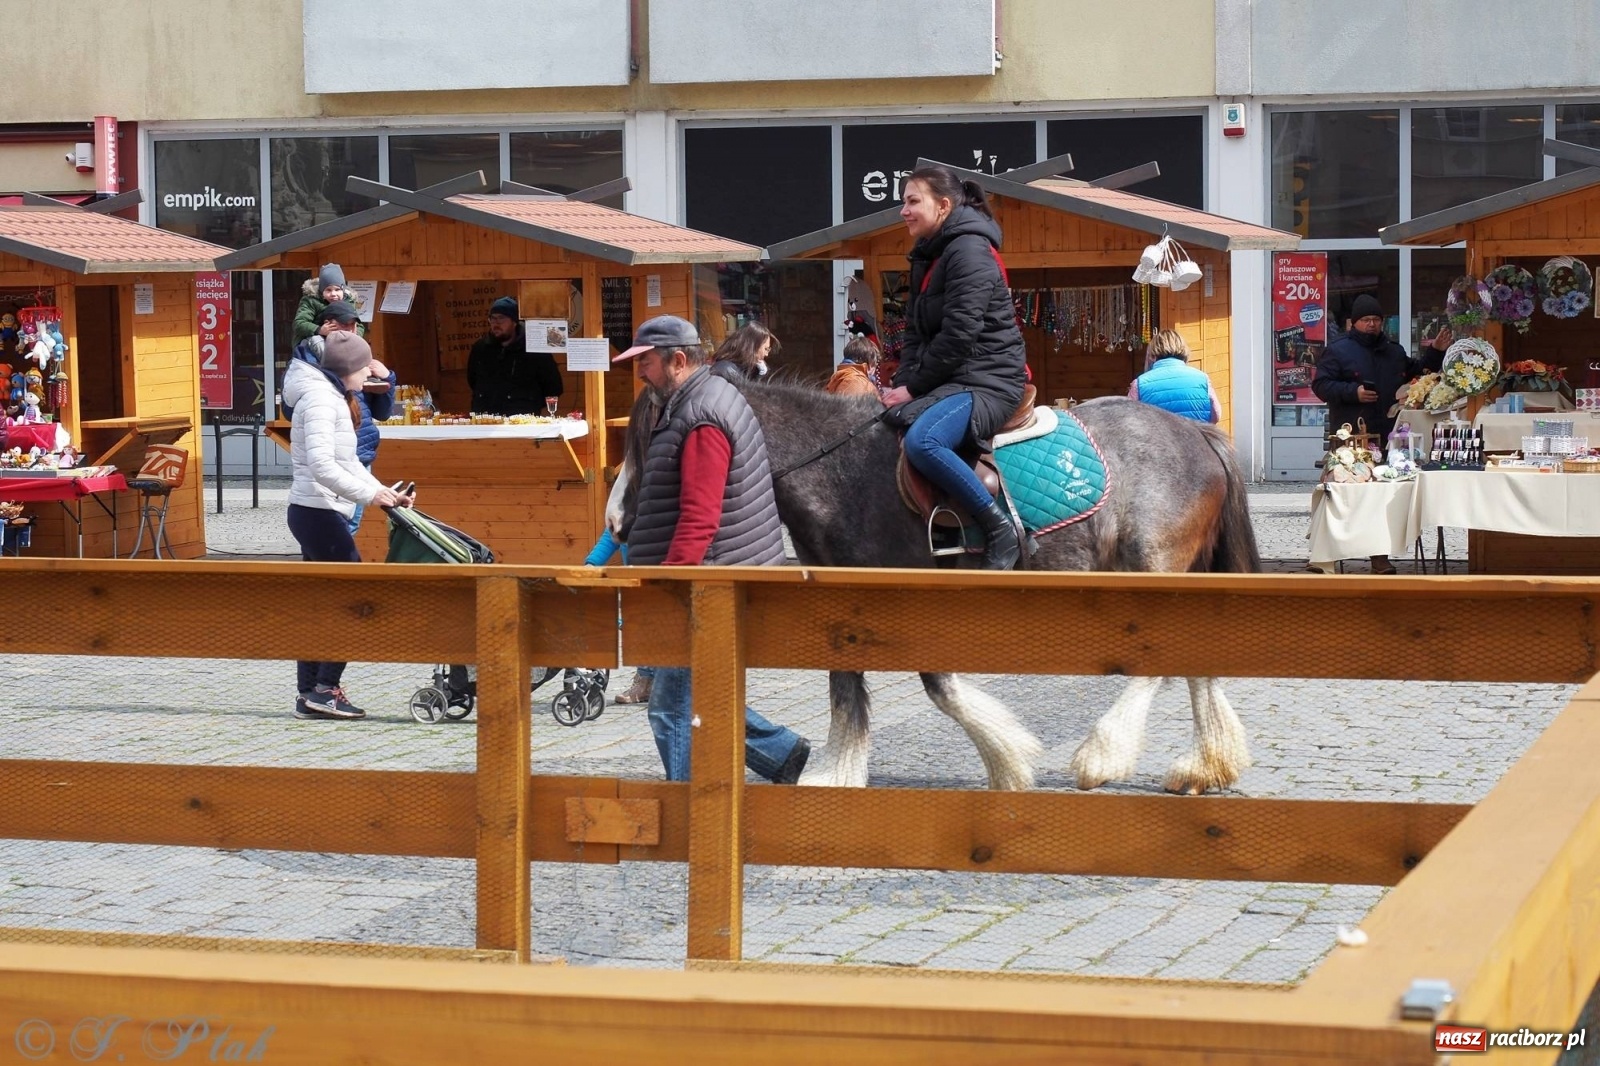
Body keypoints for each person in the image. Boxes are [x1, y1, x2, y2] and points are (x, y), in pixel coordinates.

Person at [612, 314, 810, 783]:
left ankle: (693, 814)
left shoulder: (701, 414)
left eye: (646, 364)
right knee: (705, 693)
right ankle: (782, 754)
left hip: (705, 582)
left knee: (671, 710)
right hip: (712, 576)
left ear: (678, 361)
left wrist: (673, 582)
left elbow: (701, 517)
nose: (640, 373)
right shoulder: (699, 400)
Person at [878, 164, 1028, 570]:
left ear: (943, 205)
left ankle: (998, 528)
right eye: (902, 202)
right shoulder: (929, 253)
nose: (903, 210)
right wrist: (904, 381)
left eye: (912, 201)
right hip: (954, 378)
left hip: (989, 381)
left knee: (923, 441)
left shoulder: (969, 251)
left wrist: (912, 389)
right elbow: (914, 334)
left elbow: (960, 335)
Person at [282, 330, 413, 719]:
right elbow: (323, 467)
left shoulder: (335, 397)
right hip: (316, 513)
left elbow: (350, 461)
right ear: (348, 369)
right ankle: (324, 688)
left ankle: (310, 693)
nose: (369, 373)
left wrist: (385, 492)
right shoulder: (323, 401)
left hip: (319, 512)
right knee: (353, 599)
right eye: (364, 366)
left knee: (322, 604)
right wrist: (368, 496)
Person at [283, 301, 396, 534]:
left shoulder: (338, 386)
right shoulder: (321, 393)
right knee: (344, 557)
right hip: (321, 501)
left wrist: (388, 380)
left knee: (336, 554)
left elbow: (382, 412)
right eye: (345, 326)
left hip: (354, 456)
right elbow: (322, 465)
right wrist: (373, 494)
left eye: (354, 326)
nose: (351, 332)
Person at [466, 296, 563, 415]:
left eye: (501, 318)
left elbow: (553, 386)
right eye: (492, 318)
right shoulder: (480, 348)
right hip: (486, 418)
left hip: (522, 420)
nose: (496, 323)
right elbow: (472, 380)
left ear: (514, 322)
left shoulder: (534, 348)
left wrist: (530, 404)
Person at [1128, 329, 1221, 423]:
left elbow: (1129, 421)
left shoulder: (1139, 384)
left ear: (1152, 356)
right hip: (1195, 436)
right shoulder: (1203, 378)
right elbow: (1216, 416)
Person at [292, 263, 365, 345]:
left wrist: (355, 335)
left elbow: (359, 325)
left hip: (341, 342)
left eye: (337, 290)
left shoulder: (348, 301)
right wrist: (319, 330)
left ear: (343, 290)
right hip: (311, 343)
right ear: (321, 291)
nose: (333, 294)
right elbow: (299, 324)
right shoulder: (312, 301)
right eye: (328, 290)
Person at [708, 322, 778, 385]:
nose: (766, 354)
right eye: (766, 349)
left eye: (768, 350)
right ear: (752, 347)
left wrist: (761, 376)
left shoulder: (750, 369)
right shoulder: (723, 371)